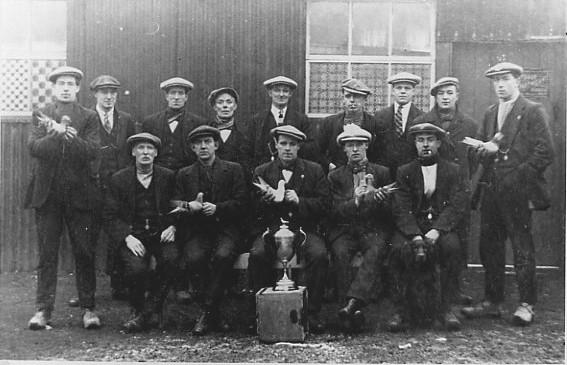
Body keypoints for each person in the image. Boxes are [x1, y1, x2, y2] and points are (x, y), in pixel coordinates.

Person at [461, 62, 554, 326]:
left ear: (518, 81)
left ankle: (526, 304)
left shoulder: (533, 111)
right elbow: (484, 145)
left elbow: (545, 152)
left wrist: (511, 168)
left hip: (518, 191)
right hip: (491, 190)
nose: (500, 84)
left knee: (521, 245)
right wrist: (479, 148)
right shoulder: (491, 112)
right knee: (489, 246)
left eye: (505, 79)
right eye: (496, 80)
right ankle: (493, 301)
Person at [26, 66, 101, 330]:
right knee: (47, 255)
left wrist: (71, 137)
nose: (66, 88)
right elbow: (34, 148)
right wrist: (56, 135)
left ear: (78, 88)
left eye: (71, 83)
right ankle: (43, 311)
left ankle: (88, 309)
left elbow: (92, 151)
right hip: (48, 198)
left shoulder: (89, 117)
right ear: (54, 88)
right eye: (61, 84)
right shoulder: (42, 114)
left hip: (81, 198)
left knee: (84, 252)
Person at [248, 125, 329, 333]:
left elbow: (324, 205)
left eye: (292, 144)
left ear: (299, 146)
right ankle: (261, 313)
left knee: (319, 254)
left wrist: (300, 200)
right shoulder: (262, 171)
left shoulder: (314, 170)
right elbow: (251, 209)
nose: (287, 149)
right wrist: (267, 201)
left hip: (303, 230)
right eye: (283, 143)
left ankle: (312, 313)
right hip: (272, 230)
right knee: (257, 254)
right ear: (275, 145)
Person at [388, 123, 469, 332]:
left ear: (439, 143)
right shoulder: (404, 171)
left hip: (440, 227)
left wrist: (438, 230)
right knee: (398, 248)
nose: (425, 145)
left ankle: (447, 308)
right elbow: (401, 208)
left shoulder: (453, 170)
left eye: (430, 140)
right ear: (415, 143)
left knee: (452, 248)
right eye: (420, 140)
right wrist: (414, 235)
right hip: (412, 227)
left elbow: (456, 205)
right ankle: (401, 310)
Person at [172, 125, 247, 335]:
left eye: (208, 142)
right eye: (198, 144)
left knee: (223, 256)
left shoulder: (233, 169)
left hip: (226, 229)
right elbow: (173, 204)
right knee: (195, 257)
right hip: (198, 230)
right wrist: (189, 206)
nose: (203, 146)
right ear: (193, 148)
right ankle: (214, 313)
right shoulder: (184, 174)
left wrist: (218, 208)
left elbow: (243, 203)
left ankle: (207, 313)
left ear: (216, 145)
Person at [411, 77, 479, 305]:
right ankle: (428, 290)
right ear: (435, 97)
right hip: (431, 187)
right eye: (441, 94)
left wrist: (462, 179)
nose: (445, 97)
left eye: (450, 93)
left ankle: (454, 290)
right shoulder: (423, 121)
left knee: (458, 239)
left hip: (457, 188)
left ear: (457, 95)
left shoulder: (469, 124)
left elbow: (474, 160)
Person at [103, 133, 178, 332]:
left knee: (171, 260)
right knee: (136, 269)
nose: (145, 152)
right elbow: (110, 215)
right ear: (133, 152)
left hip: (160, 234)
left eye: (150, 148)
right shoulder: (119, 179)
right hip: (133, 235)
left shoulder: (168, 177)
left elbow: (178, 207)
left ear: (156, 153)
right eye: (141, 148)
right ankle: (137, 309)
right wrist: (127, 237)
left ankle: (150, 310)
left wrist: (173, 226)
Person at [327, 124, 393, 332]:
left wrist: (381, 200)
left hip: (371, 229)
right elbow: (334, 212)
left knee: (376, 249)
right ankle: (350, 309)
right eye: (350, 145)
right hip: (345, 230)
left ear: (367, 146)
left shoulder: (382, 172)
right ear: (344, 150)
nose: (355, 149)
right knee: (339, 253)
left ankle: (352, 304)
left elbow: (392, 211)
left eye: (359, 145)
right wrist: (355, 201)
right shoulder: (335, 177)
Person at [89, 74, 136, 301]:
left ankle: (119, 284)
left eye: (112, 92)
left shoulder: (126, 119)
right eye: (104, 92)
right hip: (93, 185)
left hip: (118, 187)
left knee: (118, 232)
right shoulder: (86, 118)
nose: (108, 97)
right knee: (89, 238)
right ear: (95, 94)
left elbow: (131, 152)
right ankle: (86, 290)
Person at [249, 76, 321, 168]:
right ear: (270, 93)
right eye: (277, 90)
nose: (281, 94)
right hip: (264, 172)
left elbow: (312, 147)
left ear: (290, 94)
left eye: (285, 91)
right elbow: (248, 149)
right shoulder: (258, 120)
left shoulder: (302, 120)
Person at [142, 77, 207, 171]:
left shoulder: (198, 123)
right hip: (158, 173)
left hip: (187, 173)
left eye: (180, 93)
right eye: (173, 93)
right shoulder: (150, 122)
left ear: (186, 97)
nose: (176, 97)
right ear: (167, 96)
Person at [318, 78, 377, 172]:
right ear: (343, 98)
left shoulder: (375, 123)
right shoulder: (329, 122)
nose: (352, 100)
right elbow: (318, 151)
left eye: (357, 96)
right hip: (335, 174)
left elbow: (380, 153)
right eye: (348, 96)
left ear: (365, 99)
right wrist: (329, 165)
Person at [374, 72, 425, 177]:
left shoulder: (422, 118)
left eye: (407, 88)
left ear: (413, 91)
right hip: (385, 174)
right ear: (393, 91)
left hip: (412, 174)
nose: (403, 91)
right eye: (399, 88)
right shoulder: (380, 116)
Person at [207, 87, 253, 183]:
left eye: (229, 102)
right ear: (214, 107)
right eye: (220, 102)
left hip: (238, 182)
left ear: (235, 106)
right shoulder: (207, 130)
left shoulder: (245, 131)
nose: (225, 106)